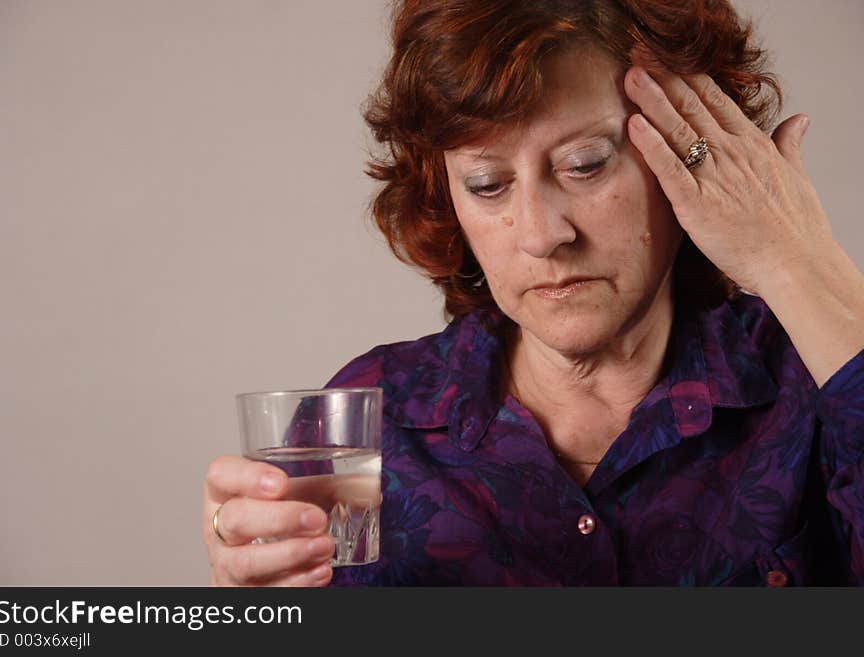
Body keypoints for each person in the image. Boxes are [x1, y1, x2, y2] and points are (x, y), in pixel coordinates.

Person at [202, 0, 864, 586]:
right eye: (488, 184)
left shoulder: (812, 379)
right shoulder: (368, 421)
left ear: (689, 147)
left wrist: (797, 258)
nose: (544, 235)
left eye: (585, 165)